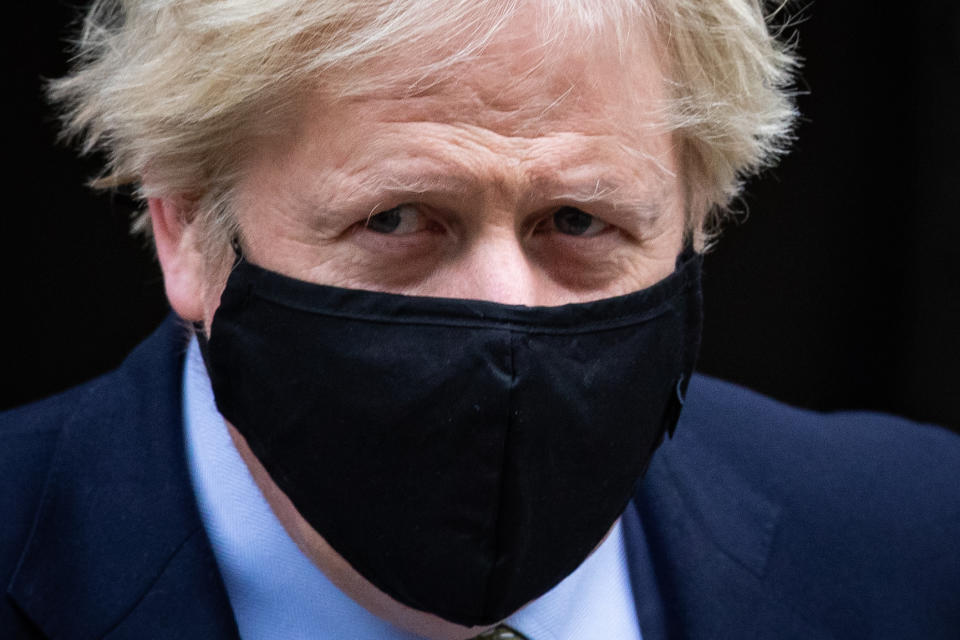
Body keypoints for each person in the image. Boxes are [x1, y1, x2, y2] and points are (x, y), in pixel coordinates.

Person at [1, 1, 958, 638]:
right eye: (400, 217)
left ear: (695, 226)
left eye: (577, 219)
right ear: (186, 233)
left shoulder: (922, 545)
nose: (505, 305)